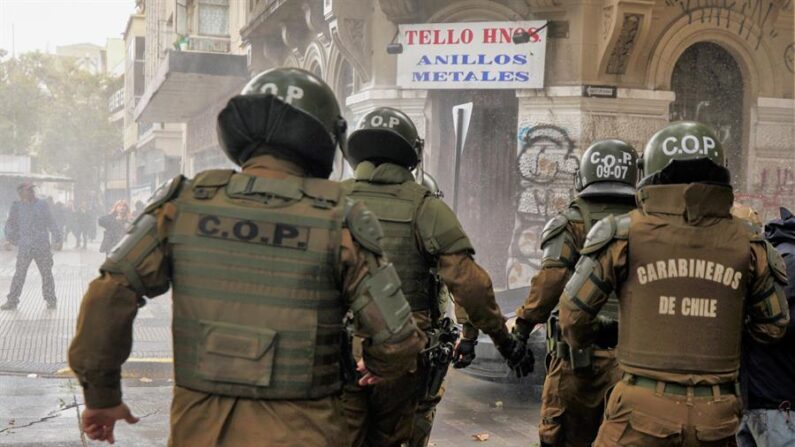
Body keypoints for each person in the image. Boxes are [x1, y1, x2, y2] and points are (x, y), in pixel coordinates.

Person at [68, 67, 426, 446]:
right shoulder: (341, 221)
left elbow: (107, 296)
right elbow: (397, 340)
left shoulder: (182, 205)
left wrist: (102, 398)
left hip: (198, 433)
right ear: (326, 137)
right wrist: (379, 366)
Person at [559, 121, 789, 446]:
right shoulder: (751, 243)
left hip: (639, 411)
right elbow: (774, 325)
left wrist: (606, 331)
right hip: (717, 417)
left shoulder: (622, 234)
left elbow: (572, 318)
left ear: (648, 172)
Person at [339, 107, 532, 447]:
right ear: (412, 154)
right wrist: (505, 343)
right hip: (400, 350)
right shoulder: (426, 207)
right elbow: (470, 286)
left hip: (333, 349)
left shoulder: (330, 199)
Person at [514, 140, 638, 447]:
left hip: (577, 360)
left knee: (564, 437)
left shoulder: (570, 222)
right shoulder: (648, 224)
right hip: (635, 363)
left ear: (583, 176)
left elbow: (550, 281)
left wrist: (522, 327)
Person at [737, 206, 795, 446]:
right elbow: (780, 327)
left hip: (752, 400)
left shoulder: (770, 257)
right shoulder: (789, 260)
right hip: (779, 407)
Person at [2, 182, 62, 310]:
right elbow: (10, 224)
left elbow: (51, 221)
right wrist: (9, 239)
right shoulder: (17, 207)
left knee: (46, 274)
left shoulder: (42, 204)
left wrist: (58, 238)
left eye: (32, 190)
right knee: (19, 274)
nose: (31, 192)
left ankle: (51, 300)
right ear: (21, 193)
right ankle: (12, 300)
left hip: (42, 246)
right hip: (25, 246)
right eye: (28, 190)